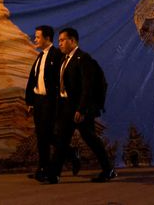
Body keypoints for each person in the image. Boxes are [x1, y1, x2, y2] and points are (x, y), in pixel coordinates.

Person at [48, 27, 115, 184]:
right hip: (65, 106)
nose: (60, 44)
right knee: (62, 140)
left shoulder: (83, 59)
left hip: (79, 108)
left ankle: (108, 169)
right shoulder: (64, 60)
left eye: (63, 40)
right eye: (59, 41)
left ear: (72, 41)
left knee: (90, 138)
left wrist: (82, 109)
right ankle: (54, 174)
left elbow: (87, 87)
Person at [24, 25, 63, 182]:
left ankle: (45, 168)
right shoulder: (40, 56)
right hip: (39, 101)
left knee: (45, 135)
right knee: (42, 135)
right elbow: (33, 80)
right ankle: (45, 166)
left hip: (50, 101)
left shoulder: (57, 55)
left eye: (38, 37)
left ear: (47, 38)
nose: (35, 39)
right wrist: (30, 102)